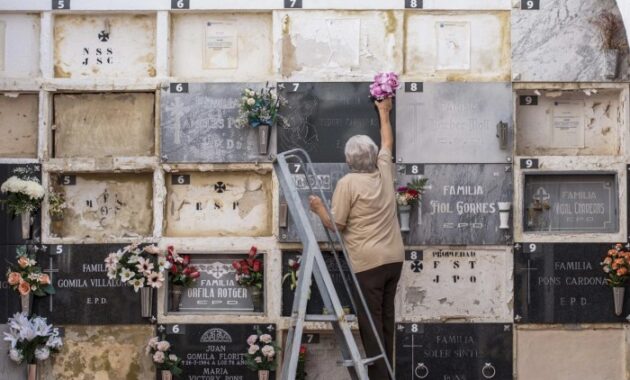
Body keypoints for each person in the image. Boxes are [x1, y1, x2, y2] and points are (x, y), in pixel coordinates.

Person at [309, 97, 404, 380]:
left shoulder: (348, 183)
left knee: (370, 322)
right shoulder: (383, 170)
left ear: (348, 159)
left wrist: (318, 209)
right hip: (394, 258)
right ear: (373, 156)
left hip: (368, 263)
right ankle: (388, 370)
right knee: (386, 319)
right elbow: (387, 142)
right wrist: (384, 111)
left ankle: (379, 378)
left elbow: (336, 225)